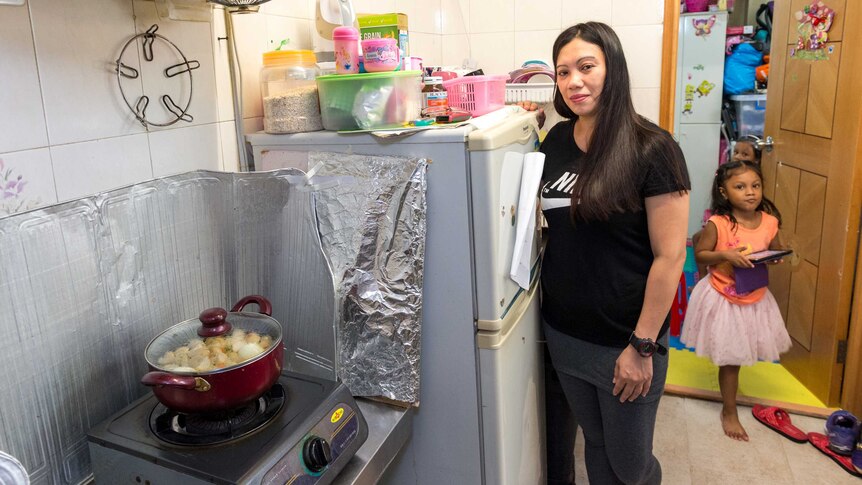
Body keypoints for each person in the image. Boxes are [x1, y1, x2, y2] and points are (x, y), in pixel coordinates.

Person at [530, 22, 690, 484]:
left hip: (626, 341)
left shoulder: (652, 148)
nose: (574, 81)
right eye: (563, 72)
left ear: (612, 69)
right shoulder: (555, 143)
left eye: (586, 67)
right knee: (595, 448)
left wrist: (642, 345)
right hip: (564, 334)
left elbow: (670, 257)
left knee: (630, 465)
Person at [680, 159, 791, 441]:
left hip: (755, 298)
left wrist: (775, 257)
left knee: (740, 354)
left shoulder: (769, 221)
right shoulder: (719, 223)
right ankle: (729, 411)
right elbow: (701, 254)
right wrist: (726, 256)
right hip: (724, 298)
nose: (750, 192)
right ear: (724, 191)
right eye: (740, 187)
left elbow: (774, 249)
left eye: (755, 185)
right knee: (730, 360)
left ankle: (730, 399)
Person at [692, 135, 763, 277]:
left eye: (745, 154)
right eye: (736, 152)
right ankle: (702, 278)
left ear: (756, 160)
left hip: (739, 228)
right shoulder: (727, 174)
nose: (737, 157)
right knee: (696, 238)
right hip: (724, 221)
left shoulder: (755, 181)